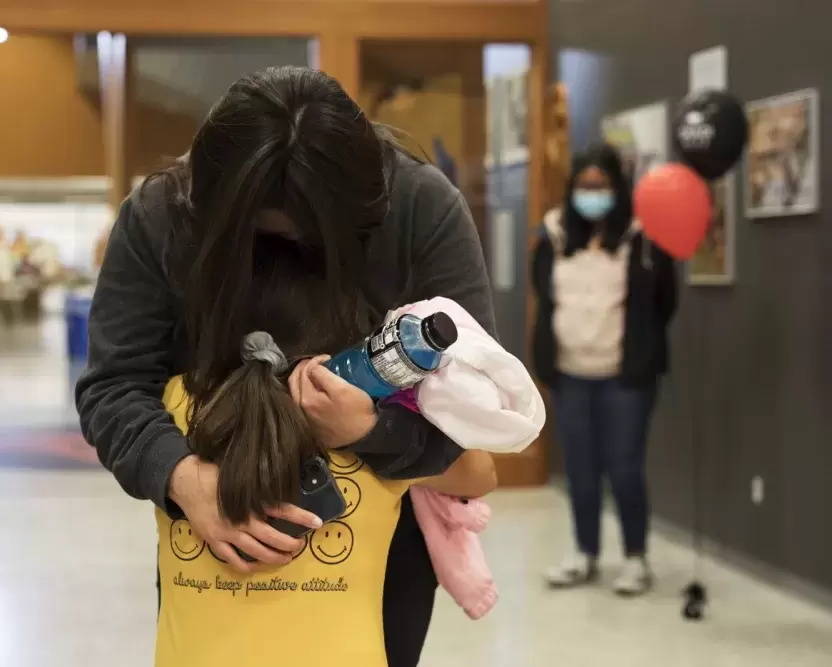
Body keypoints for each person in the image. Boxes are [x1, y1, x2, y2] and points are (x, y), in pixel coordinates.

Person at [75, 66, 496, 665]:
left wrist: (370, 430)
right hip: (211, 523)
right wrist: (182, 478)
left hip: (377, 542)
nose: (289, 244)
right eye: (266, 228)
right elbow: (114, 385)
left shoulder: (419, 208)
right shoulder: (163, 215)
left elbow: (472, 413)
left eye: (308, 230)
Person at [156, 234, 497, 666]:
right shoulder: (372, 424)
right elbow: (480, 471)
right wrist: (371, 429)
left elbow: (112, 410)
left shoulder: (172, 406)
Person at [531, 144, 677, 596]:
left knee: (625, 467)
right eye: (585, 186)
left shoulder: (642, 235)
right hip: (571, 372)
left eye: (602, 186)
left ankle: (636, 559)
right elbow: (544, 291)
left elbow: (664, 302)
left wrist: (639, 348)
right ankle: (585, 554)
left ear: (618, 188)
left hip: (624, 376)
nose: (593, 194)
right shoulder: (554, 233)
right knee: (580, 468)